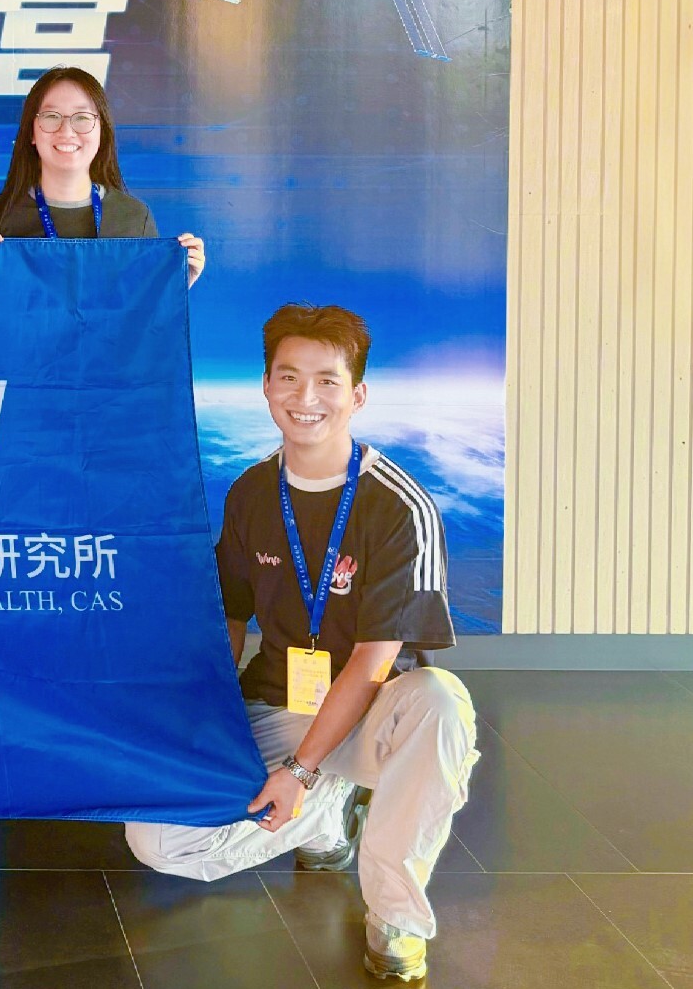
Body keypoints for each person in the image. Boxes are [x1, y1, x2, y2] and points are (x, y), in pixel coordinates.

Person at [124, 304, 476, 983]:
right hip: (277, 704)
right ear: (265, 386)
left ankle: (395, 913)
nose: (304, 397)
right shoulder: (251, 492)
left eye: (326, 381)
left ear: (357, 395)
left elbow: (374, 662)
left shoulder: (399, 506)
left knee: (440, 701)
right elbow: (228, 621)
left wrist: (301, 770)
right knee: (156, 841)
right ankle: (324, 816)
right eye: (287, 377)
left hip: (373, 716)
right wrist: (197, 729)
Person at [0, 66, 206, 285]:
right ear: (32, 133)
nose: (66, 131)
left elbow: (143, 309)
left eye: (82, 118)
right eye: (51, 116)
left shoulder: (133, 218)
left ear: (102, 131)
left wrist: (177, 285)